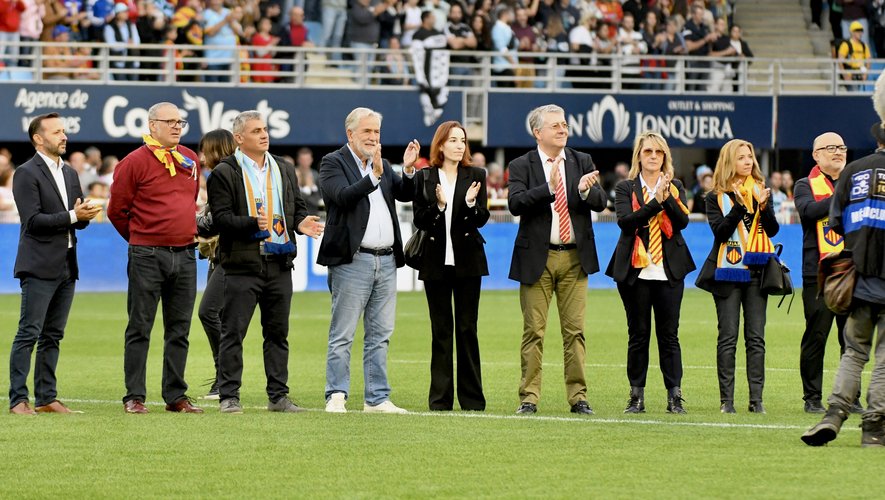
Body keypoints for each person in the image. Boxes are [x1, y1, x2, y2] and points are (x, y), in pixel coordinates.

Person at [207, 111, 324, 414]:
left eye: (265, 129)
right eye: (256, 130)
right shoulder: (225, 172)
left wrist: (300, 223)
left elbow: (296, 208)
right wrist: (251, 223)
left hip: (279, 261)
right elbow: (220, 220)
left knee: (277, 334)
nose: (264, 134)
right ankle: (229, 395)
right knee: (234, 332)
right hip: (242, 264)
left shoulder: (284, 168)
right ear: (239, 138)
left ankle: (278, 396)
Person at [317, 107, 420, 414]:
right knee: (343, 333)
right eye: (367, 132)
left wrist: (409, 170)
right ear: (350, 134)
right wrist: (373, 176)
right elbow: (342, 196)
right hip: (353, 260)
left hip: (386, 261)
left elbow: (404, 193)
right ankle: (336, 394)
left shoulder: (384, 165)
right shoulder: (332, 162)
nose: (373, 138)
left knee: (380, 334)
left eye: (376, 132)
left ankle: (376, 398)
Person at [507, 104, 607, 415]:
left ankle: (578, 397)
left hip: (575, 258)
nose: (562, 129)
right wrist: (549, 188)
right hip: (537, 258)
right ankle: (529, 398)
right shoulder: (521, 164)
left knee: (574, 331)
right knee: (534, 331)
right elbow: (515, 203)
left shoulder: (582, 161)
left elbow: (601, 201)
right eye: (555, 126)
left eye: (564, 124)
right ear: (538, 132)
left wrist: (586, 192)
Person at [107, 102, 203, 414]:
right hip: (147, 254)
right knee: (140, 326)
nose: (177, 126)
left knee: (180, 329)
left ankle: (175, 395)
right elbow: (116, 211)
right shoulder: (133, 162)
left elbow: (189, 201)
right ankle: (134, 396)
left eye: (181, 122)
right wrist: (141, 238)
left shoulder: (189, 159)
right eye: (170, 121)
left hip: (186, 253)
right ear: (152, 125)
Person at [8, 113, 101, 415]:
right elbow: (33, 221)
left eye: (65, 131)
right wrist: (75, 216)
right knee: (29, 332)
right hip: (38, 265)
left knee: (53, 335)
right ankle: (18, 400)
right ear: (39, 138)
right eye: (57, 132)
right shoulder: (26, 172)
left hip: (66, 263)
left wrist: (82, 214)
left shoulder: (70, 173)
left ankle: (46, 397)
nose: (65, 136)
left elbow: (75, 222)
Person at [802, 117, 885, 448]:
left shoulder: (853, 171)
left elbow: (834, 224)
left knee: (853, 351)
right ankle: (875, 426)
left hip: (858, 277)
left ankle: (834, 414)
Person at [606, 131, 695, 414]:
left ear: (665, 157)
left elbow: (682, 222)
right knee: (638, 334)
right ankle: (637, 396)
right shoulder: (625, 188)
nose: (653, 157)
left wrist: (666, 197)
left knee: (670, 335)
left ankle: (674, 396)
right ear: (639, 156)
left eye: (658, 152)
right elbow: (626, 223)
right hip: (636, 271)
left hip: (669, 271)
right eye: (648, 152)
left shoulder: (676, 185)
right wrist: (655, 201)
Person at [695, 139, 779, 414]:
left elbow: (773, 230)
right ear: (729, 161)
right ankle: (726, 402)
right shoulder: (715, 196)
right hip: (727, 273)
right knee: (728, 337)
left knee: (756, 338)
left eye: (750, 157)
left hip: (758, 271)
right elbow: (720, 232)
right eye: (741, 157)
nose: (748, 161)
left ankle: (757, 401)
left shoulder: (760, 190)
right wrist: (739, 207)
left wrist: (764, 207)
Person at [412, 121, 489, 411]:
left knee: (468, 329)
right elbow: (420, 219)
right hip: (435, 263)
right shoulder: (425, 177)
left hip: (469, 262)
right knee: (441, 330)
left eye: (463, 140)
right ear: (441, 144)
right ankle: (440, 399)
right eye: (454, 140)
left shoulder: (476, 175)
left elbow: (481, 218)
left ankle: (472, 399)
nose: (460, 145)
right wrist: (440, 207)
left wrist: (470, 204)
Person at [794, 132, 860, 414]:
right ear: (816, 155)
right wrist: (843, 196)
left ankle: (851, 397)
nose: (837, 152)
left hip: (853, 270)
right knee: (816, 335)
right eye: (830, 148)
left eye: (842, 147)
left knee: (851, 338)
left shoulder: (858, 181)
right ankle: (812, 398)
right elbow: (809, 212)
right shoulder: (804, 185)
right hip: (819, 273)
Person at [194, 129, 237, 400]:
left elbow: (216, 219)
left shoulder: (222, 174)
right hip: (219, 254)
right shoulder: (230, 172)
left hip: (230, 255)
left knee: (209, 312)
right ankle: (223, 378)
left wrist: (192, 220)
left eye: (204, 150)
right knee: (219, 315)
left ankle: (225, 377)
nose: (201, 156)